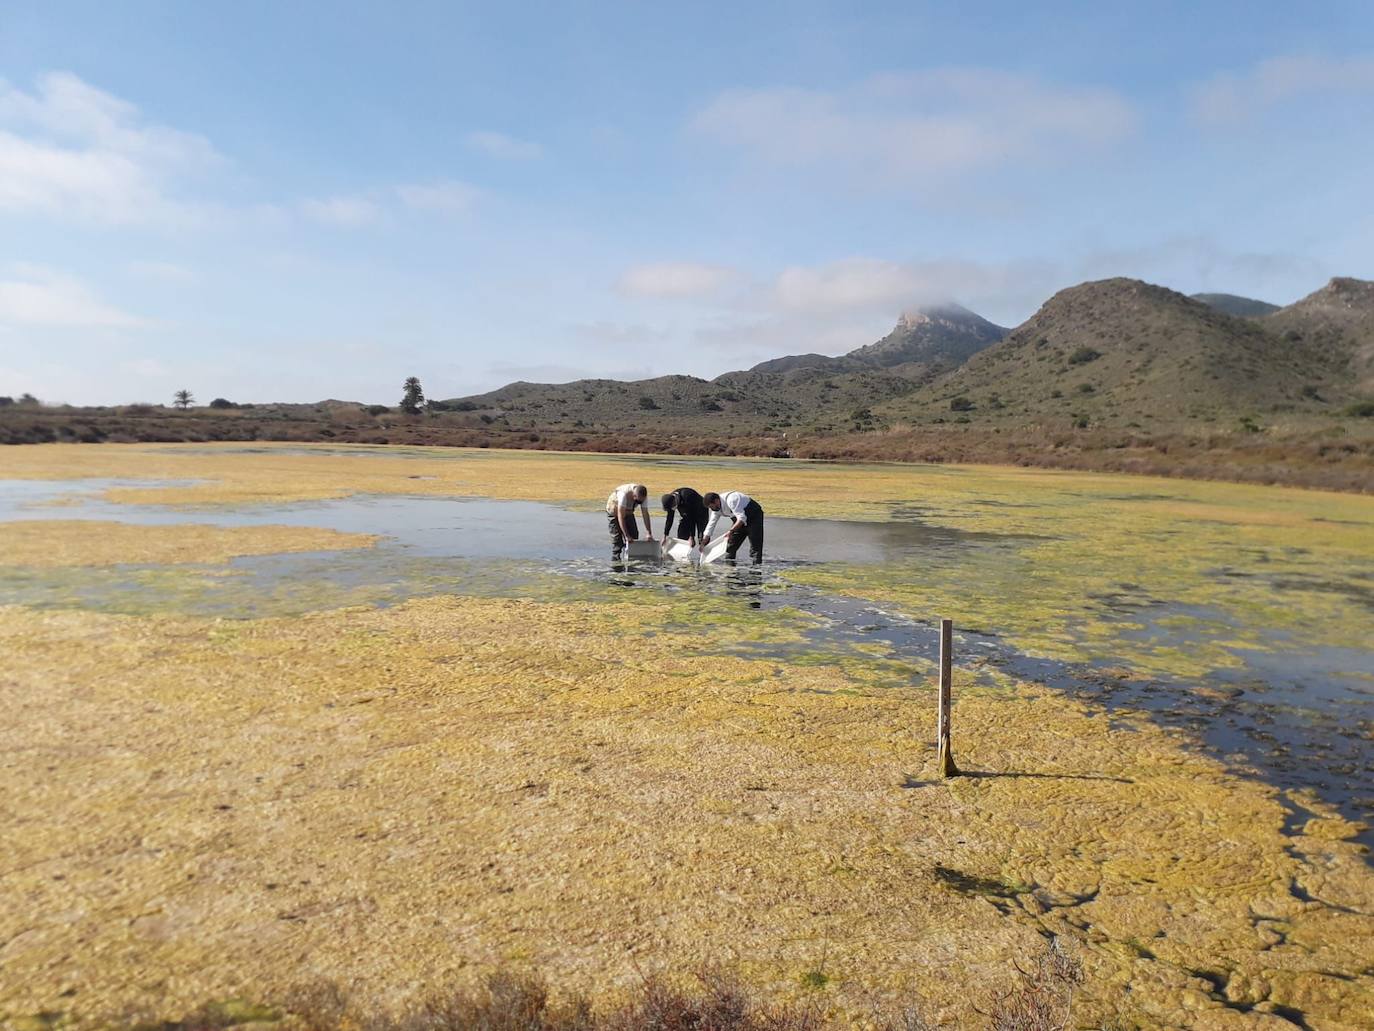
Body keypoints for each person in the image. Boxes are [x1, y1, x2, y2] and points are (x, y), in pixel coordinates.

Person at [702, 490, 764, 565]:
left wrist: (731, 531)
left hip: (753, 516)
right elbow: (711, 524)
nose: (712, 509)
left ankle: (756, 570)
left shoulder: (732, 500)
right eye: (710, 507)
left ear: (716, 501)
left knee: (755, 547)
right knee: (730, 547)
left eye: (711, 506)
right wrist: (705, 540)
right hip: (738, 520)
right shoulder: (716, 509)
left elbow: (742, 518)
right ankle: (730, 571)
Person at [606, 482, 653, 560]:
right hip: (614, 510)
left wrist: (649, 532)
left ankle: (631, 557)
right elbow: (621, 516)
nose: (640, 503)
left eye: (641, 502)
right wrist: (626, 535)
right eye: (638, 501)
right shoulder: (623, 495)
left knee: (634, 536)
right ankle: (616, 559)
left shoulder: (643, 496)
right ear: (634, 496)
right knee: (617, 540)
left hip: (628, 511)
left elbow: (645, 513)